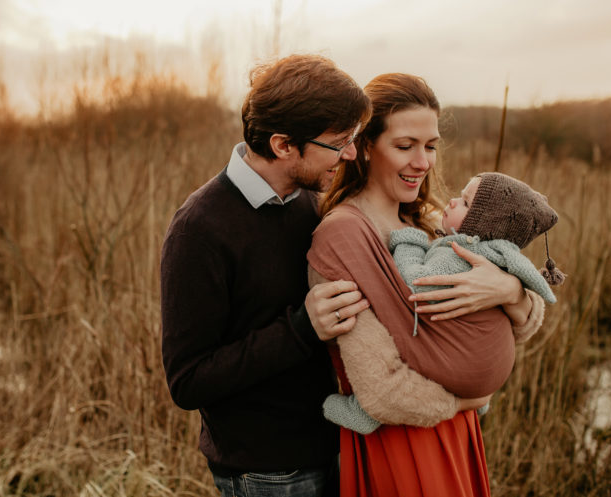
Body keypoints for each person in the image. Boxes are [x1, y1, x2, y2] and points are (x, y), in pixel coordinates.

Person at [307, 73, 548, 496]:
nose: (424, 162)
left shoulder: (432, 218)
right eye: (405, 146)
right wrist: (464, 402)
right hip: (400, 444)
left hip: (456, 435)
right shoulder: (343, 235)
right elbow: (381, 389)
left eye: (431, 146)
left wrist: (508, 292)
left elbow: (525, 326)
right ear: (365, 147)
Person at [160, 54, 374, 497]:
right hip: (266, 473)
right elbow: (188, 380)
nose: (351, 154)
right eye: (339, 142)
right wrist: (302, 328)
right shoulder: (198, 230)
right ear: (283, 145)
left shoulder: (309, 202)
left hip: (334, 447)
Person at [321, 172, 564, 435]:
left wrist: (409, 244)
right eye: (405, 145)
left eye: (466, 203)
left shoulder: (457, 253)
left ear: (484, 225)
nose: (452, 202)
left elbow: (415, 285)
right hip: (487, 371)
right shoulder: (494, 253)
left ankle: (365, 411)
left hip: (459, 378)